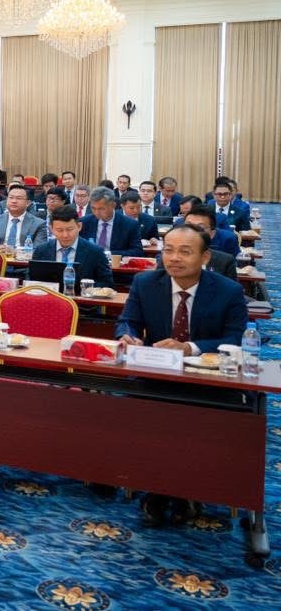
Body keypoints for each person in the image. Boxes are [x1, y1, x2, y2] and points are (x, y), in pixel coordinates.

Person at [115, 224, 246, 528]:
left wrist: (189, 347)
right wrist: (127, 336)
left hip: (209, 380)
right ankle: (157, 487)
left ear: (205, 256)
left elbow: (234, 339)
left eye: (185, 252)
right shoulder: (145, 282)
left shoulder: (228, 291)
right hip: (157, 375)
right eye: (169, 250)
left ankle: (186, 489)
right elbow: (126, 321)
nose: (174, 258)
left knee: (194, 421)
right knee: (143, 416)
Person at [33, 207, 114, 288]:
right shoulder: (41, 251)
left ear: (79, 226)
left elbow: (107, 283)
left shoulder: (95, 252)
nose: (65, 235)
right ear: (51, 229)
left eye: (69, 229)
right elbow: (33, 281)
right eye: (59, 230)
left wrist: (87, 288)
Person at [81, 187, 144, 256]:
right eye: (93, 208)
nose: (96, 212)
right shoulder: (84, 222)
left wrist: (109, 254)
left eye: (101, 209)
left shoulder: (129, 224)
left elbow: (137, 251)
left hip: (116, 261)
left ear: (113, 205)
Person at [0, 183, 47, 249]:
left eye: (19, 198)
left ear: (27, 203)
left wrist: (15, 252)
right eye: (11, 197)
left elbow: (38, 250)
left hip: (25, 255)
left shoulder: (38, 224)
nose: (14, 201)